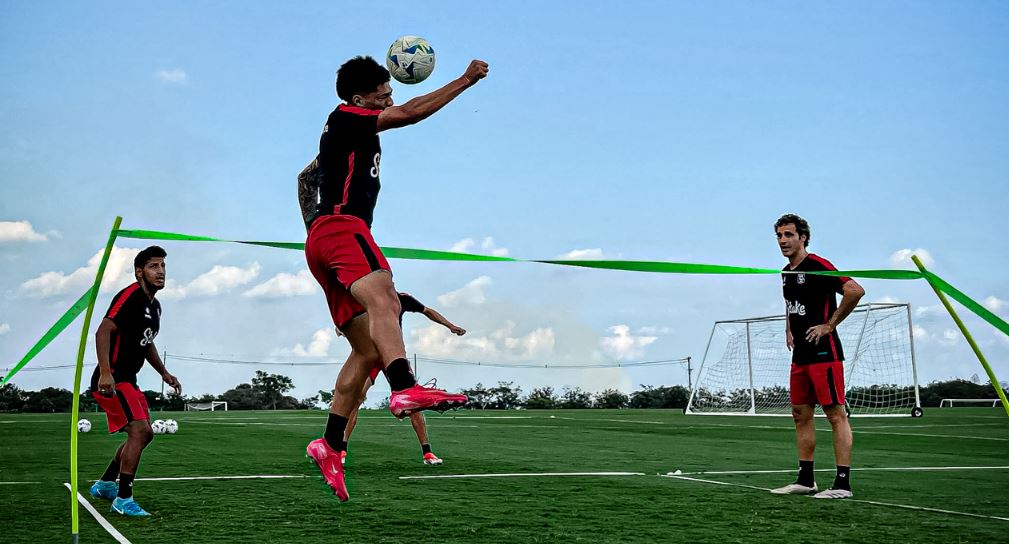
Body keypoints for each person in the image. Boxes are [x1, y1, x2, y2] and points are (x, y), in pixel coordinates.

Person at [301, 55, 488, 501]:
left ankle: (329, 444)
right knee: (385, 299)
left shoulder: (345, 130)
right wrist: (465, 80)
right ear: (358, 97)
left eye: (390, 90)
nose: (390, 97)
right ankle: (404, 389)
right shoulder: (347, 116)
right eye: (382, 93)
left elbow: (306, 176)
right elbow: (410, 114)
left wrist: (314, 223)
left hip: (323, 237)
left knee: (366, 350)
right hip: (344, 228)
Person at [770, 214, 864, 500]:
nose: (783, 240)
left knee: (835, 414)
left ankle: (842, 484)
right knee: (800, 414)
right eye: (779, 236)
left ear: (803, 237)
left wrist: (829, 325)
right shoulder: (786, 272)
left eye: (789, 235)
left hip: (825, 353)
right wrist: (789, 330)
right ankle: (806, 479)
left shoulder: (819, 266)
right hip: (801, 354)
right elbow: (791, 306)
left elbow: (854, 290)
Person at [88, 246, 181, 516]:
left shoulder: (155, 306)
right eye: (154, 266)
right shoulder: (131, 295)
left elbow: (147, 343)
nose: (161, 271)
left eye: (163, 266)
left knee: (145, 434)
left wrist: (164, 372)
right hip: (113, 380)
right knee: (139, 432)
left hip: (129, 379)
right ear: (139, 272)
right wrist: (106, 372)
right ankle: (123, 498)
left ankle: (106, 483)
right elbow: (104, 329)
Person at [342, 292, 467, 466]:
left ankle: (427, 452)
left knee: (413, 401)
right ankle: (341, 449)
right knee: (355, 398)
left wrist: (450, 326)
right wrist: (343, 327)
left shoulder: (400, 298)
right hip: (369, 356)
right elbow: (347, 317)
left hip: (391, 357)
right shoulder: (365, 299)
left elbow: (427, 310)